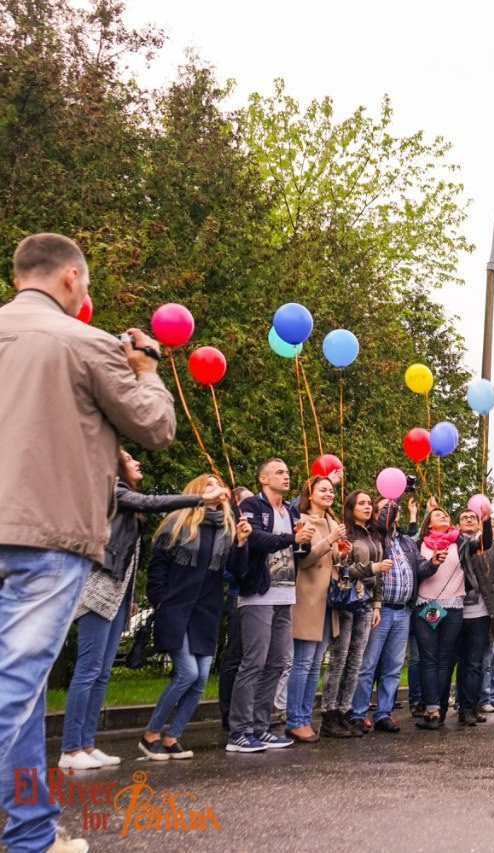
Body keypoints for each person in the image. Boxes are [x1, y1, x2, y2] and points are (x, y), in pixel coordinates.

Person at [0, 233, 176, 853]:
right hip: (45, 534)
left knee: (20, 691)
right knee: (12, 686)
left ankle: (30, 833)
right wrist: (148, 370)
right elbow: (155, 426)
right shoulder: (86, 342)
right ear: (71, 279)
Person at [60, 451, 223, 770]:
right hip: (99, 590)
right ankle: (70, 747)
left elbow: (126, 558)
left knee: (102, 672)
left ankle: (87, 744)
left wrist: (131, 596)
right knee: (89, 669)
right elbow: (150, 503)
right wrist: (199, 498)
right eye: (131, 459)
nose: (138, 463)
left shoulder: (129, 507)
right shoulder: (113, 491)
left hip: (118, 594)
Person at [140, 476, 251, 760]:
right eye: (209, 484)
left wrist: (240, 544)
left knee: (201, 678)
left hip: (206, 611)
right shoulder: (178, 522)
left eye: (219, 485)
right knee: (187, 672)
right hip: (176, 607)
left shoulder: (225, 529)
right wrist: (159, 600)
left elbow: (235, 573)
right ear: (196, 492)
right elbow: (158, 567)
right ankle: (150, 735)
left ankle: (172, 737)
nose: (217, 489)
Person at [227, 459, 315, 753]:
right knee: (253, 662)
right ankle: (239, 731)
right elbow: (256, 538)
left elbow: (296, 551)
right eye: (279, 472)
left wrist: (305, 542)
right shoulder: (253, 505)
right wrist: (292, 537)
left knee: (277, 663)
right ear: (263, 478)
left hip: (285, 594)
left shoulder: (290, 510)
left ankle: (261, 727)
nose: (286, 475)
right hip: (258, 594)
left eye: (288, 472)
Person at [353, 499, 431, 733]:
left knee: (393, 667)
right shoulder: (375, 538)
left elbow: (421, 569)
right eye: (385, 508)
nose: (391, 511)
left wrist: (434, 563)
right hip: (381, 608)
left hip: (403, 611)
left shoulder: (407, 541)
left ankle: (383, 714)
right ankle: (357, 713)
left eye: (393, 508)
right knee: (368, 665)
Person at [285, 476, 349, 743]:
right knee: (302, 662)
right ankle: (294, 720)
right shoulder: (301, 520)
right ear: (309, 494)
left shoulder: (332, 522)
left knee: (314, 664)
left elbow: (332, 558)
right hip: (307, 598)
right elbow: (304, 559)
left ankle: (305, 718)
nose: (329, 494)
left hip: (328, 600)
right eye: (323, 489)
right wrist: (330, 540)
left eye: (331, 490)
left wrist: (342, 552)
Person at [331, 490, 389, 736]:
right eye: (361, 503)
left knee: (356, 661)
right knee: (340, 658)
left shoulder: (374, 536)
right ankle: (330, 714)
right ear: (350, 507)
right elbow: (341, 567)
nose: (367, 507)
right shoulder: (345, 533)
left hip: (366, 603)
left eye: (369, 503)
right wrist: (373, 567)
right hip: (347, 600)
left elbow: (381, 575)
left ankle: (346, 713)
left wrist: (377, 604)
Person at [452, 504, 494, 726]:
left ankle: (472, 706)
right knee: (456, 662)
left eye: (473, 517)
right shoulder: (453, 543)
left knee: (476, 663)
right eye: (464, 517)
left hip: (481, 613)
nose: (469, 519)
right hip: (455, 611)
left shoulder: (491, 544)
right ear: (457, 524)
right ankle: (453, 705)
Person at [414, 502, 466, 730]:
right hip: (427, 604)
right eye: (437, 515)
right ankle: (431, 708)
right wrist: (433, 563)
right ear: (429, 523)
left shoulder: (460, 542)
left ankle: (439, 708)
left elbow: (482, 539)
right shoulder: (419, 544)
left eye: (445, 515)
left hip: (453, 606)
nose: (443, 516)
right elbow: (418, 571)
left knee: (445, 660)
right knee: (429, 658)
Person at [219, 485, 257, 730]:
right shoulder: (230, 533)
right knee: (235, 656)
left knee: (253, 658)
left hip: (256, 598)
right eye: (249, 504)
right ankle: (228, 715)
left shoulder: (254, 529)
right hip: (237, 597)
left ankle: (247, 712)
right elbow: (226, 572)